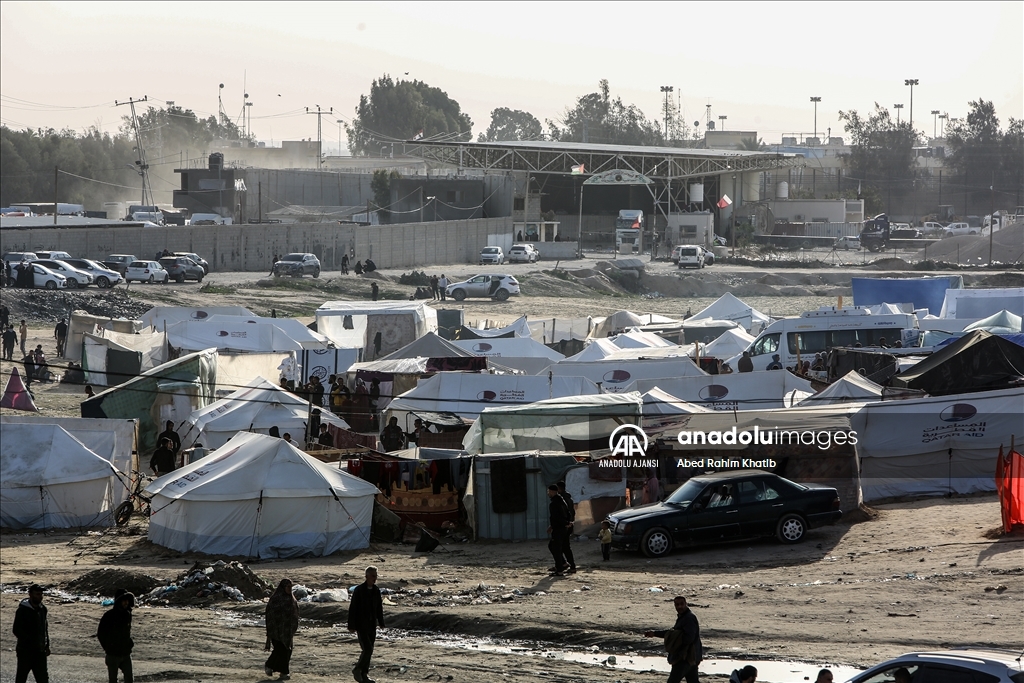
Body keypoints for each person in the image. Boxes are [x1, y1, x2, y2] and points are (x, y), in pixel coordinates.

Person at [644, 595, 702, 683]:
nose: (679, 607)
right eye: (677, 604)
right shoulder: (683, 617)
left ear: (686, 604)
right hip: (691, 657)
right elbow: (673, 633)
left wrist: (676, 646)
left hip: (685, 658)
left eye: (681, 604)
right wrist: (655, 633)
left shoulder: (689, 618)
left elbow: (688, 638)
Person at [348, 566, 385, 683]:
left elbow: (379, 608)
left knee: (370, 649)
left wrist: (381, 622)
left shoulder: (376, 590)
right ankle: (357, 669)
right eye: (373, 576)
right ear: (367, 576)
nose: (375, 578)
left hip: (372, 624)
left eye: (376, 576)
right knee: (367, 649)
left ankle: (364, 675)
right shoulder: (359, 590)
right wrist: (351, 625)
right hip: (361, 625)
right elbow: (353, 608)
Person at [13, 584, 50, 683]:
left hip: (40, 651)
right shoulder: (22, 610)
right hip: (25, 652)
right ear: (30, 595)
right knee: (21, 677)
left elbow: (44, 628)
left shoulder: (43, 609)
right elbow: (16, 630)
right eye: (37, 594)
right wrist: (29, 641)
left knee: (43, 679)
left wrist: (46, 645)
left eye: (41, 594)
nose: (40, 596)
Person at [97, 590, 135, 683]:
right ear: (119, 601)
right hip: (113, 654)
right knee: (113, 680)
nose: (126, 603)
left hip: (125, 653)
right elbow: (100, 633)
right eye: (124, 600)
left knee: (129, 679)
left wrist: (129, 643)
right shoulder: (109, 615)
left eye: (127, 600)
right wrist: (108, 647)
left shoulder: (127, 614)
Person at [264, 579, 299, 681]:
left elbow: (295, 613)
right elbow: (271, 614)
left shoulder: (291, 599)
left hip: (288, 630)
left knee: (287, 651)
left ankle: (283, 672)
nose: (289, 589)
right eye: (287, 587)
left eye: (290, 587)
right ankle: (269, 665)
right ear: (283, 588)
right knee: (280, 650)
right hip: (277, 630)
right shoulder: (276, 599)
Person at [546, 484, 571, 576]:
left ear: (553, 492)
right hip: (562, 527)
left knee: (555, 548)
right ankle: (563, 564)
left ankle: (559, 569)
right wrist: (567, 522)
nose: (548, 493)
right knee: (554, 546)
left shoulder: (554, 503)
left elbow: (556, 517)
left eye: (549, 491)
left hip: (559, 528)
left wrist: (555, 526)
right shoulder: (561, 501)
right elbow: (568, 513)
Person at [556, 481, 577, 574]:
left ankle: (567, 565)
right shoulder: (568, 498)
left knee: (561, 546)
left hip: (565, 526)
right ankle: (564, 564)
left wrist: (566, 524)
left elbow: (565, 514)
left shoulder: (562, 499)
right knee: (562, 546)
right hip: (568, 525)